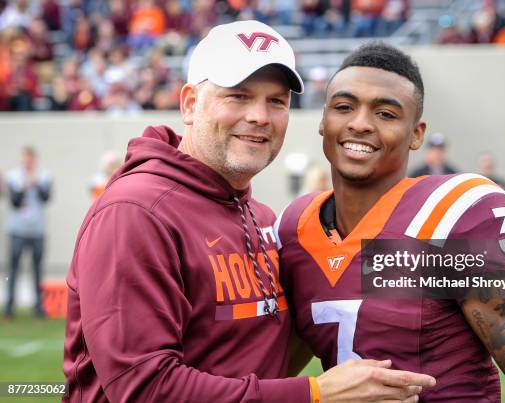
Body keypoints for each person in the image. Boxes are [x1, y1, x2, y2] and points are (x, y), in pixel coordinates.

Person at [63, 21, 434, 403]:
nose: (260, 116)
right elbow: (143, 389)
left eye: (276, 100)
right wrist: (315, 394)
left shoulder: (264, 218)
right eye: (238, 96)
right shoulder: (137, 212)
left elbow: (265, 356)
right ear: (190, 103)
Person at [276, 42, 505, 402]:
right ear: (323, 119)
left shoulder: (449, 216)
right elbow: (276, 368)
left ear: (417, 134)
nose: (360, 124)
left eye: (386, 114)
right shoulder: (295, 229)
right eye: (344, 107)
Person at [5, 146, 52, 318]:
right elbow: (14, 201)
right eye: (25, 158)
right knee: (13, 269)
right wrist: (24, 185)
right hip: (18, 230)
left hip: (37, 230)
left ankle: (38, 306)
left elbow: (46, 197)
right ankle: (9, 305)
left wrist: (36, 182)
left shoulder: (44, 176)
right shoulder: (13, 177)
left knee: (37, 269)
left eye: (31, 159)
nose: (28, 162)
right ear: (21, 159)